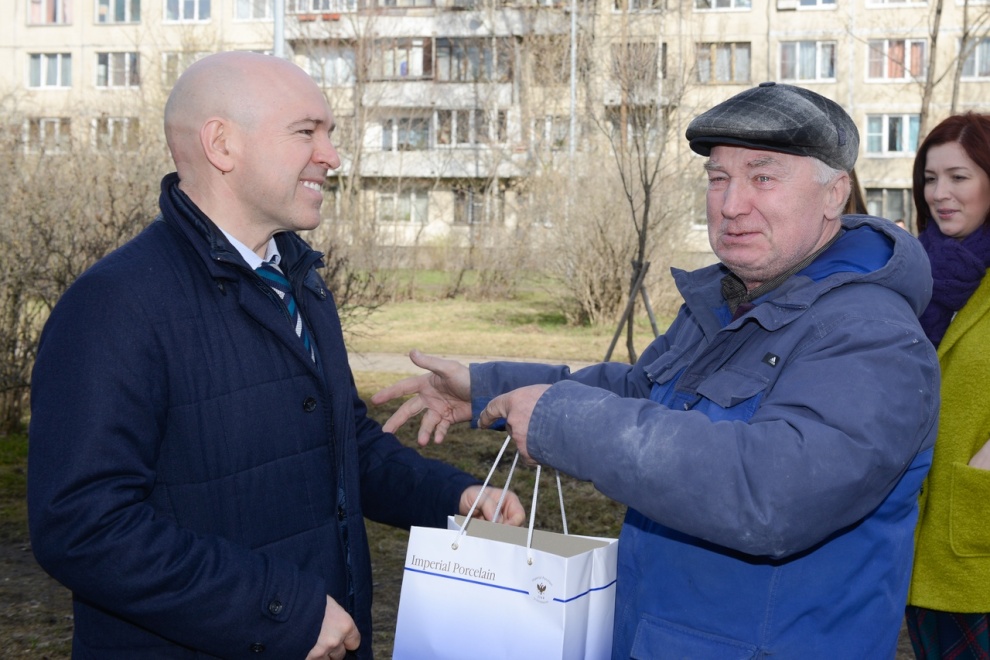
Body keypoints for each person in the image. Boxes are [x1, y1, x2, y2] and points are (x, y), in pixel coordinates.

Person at [372, 82, 939, 657]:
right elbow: (643, 393)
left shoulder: (871, 334)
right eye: (718, 179)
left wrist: (563, 422)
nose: (731, 204)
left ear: (834, 194)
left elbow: (773, 494)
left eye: (763, 178)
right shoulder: (732, 300)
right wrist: (489, 390)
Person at [27, 50, 524, 659]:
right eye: (306, 132)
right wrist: (282, 610)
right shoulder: (113, 306)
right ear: (222, 145)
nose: (332, 156)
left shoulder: (297, 280)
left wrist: (451, 498)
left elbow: (339, 443)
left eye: (329, 133)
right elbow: (83, 526)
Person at [905, 113, 990, 659]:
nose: (940, 193)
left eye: (959, 177)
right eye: (931, 179)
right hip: (915, 531)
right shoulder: (912, 273)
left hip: (976, 530)